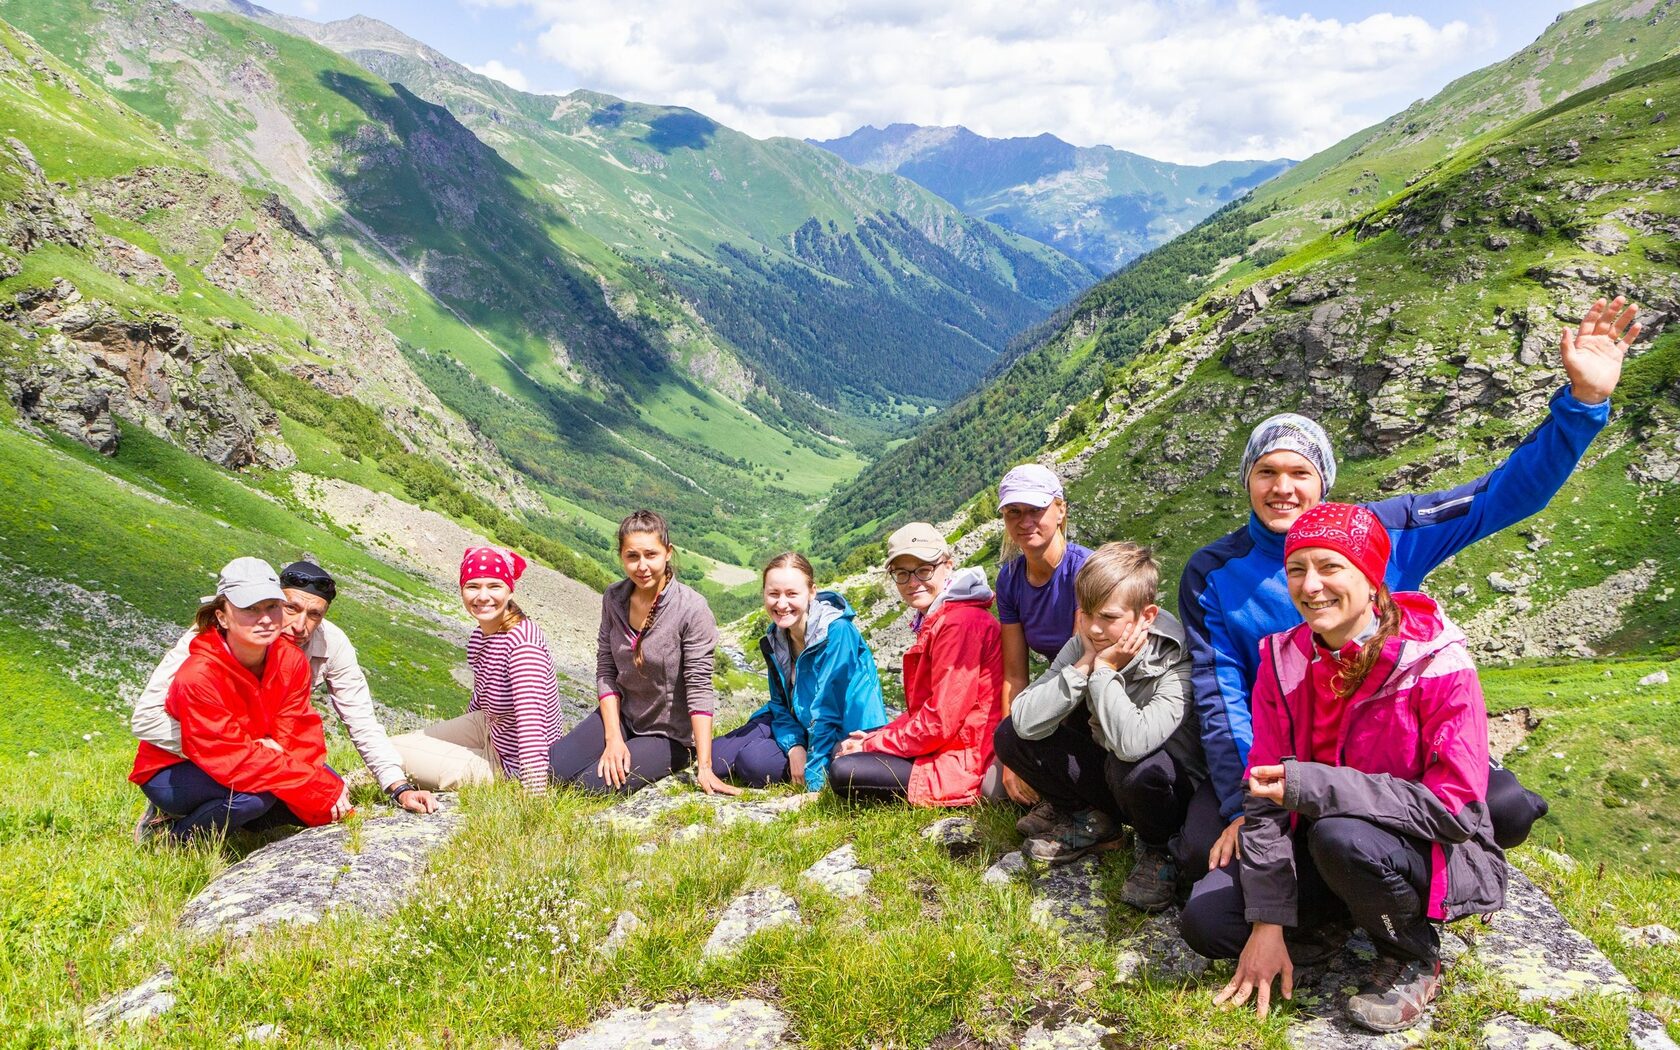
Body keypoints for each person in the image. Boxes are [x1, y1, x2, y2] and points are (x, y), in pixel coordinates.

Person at [1177, 295, 1641, 889]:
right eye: (1267, 473)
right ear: (1248, 482)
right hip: (1290, 751)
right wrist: (1251, 801)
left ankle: (1401, 875)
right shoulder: (1213, 572)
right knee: (1202, 853)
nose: (1283, 489)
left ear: (1325, 481)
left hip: (1395, 750)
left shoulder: (1387, 530)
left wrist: (1584, 404)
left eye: (1300, 474)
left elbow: (1504, 496)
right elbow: (1224, 698)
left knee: (1506, 808)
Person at [1184, 503, 1504, 1034]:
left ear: (1373, 578)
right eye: (1296, 569)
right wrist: (1268, 920)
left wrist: (1315, 785)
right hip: (1324, 843)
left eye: (1331, 567)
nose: (1311, 587)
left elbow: (1454, 809)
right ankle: (1340, 916)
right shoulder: (1282, 660)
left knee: (1342, 836)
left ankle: (1409, 954)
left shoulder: (1436, 662)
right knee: (1209, 923)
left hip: (1426, 849)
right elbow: (1265, 797)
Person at [993, 542, 1205, 910]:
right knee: (1010, 736)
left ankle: (1160, 850)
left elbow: (1132, 744)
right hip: (1114, 773)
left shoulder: (1177, 658)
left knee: (1137, 766)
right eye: (1085, 613)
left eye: (1107, 616)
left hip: (1168, 790)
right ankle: (1093, 820)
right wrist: (1084, 667)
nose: (1093, 627)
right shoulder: (1086, 642)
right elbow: (1024, 721)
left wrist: (1104, 671)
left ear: (1147, 615)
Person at [133, 560, 438, 815]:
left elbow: (361, 719)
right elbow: (147, 719)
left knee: (327, 794)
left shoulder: (331, 644)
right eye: (291, 608)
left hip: (266, 748)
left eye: (315, 614)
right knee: (258, 796)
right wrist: (245, 746)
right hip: (200, 752)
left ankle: (241, 820)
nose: (299, 625)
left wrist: (397, 786)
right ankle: (177, 819)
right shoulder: (209, 641)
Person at [130, 557, 351, 844]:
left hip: (244, 753)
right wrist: (307, 782)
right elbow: (229, 756)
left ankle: (234, 825)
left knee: (322, 802)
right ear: (222, 616)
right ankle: (173, 838)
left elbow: (298, 732)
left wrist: (322, 786)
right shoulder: (198, 673)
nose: (264, 619)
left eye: (272, 607)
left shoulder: (291, 659)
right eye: (249, 609)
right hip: (176, 765)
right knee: (252, 799)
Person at [549, 510, 739, 796]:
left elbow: (699, 687)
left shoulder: (691, 609)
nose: (642, 566)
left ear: (668, 553)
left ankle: (675, 758)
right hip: (625, 716)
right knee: (555, 769)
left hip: (669, 735)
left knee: (589, 788)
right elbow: (606, 669)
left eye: (651, 554)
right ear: (621, 557)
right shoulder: (614, 598)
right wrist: (613, 737)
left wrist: (705, 765)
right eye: (632, 556)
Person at [829, 523, 1003, 805]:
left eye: (924, 569)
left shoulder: (960, 624)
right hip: (951, 745)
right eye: (902, 573)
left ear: (947, 566)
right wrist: (880, 736)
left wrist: (872, 743)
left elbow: (939, 722)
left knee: (843, 769)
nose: (913, 582)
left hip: (964, 759)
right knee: (846, 746)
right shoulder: (942, 615)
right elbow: (925, 710)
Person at [389, 547, 562, 795]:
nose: (483, 596)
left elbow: (532, 727)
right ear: (461, 590)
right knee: (403, 744)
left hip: (511, 764)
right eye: (473, 586)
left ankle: (345, 788)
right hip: (490, 727)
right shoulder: (482, 635)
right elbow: (481, 696)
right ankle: (351, 783)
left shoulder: (523, 646)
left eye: (494, 586)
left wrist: (534, 798)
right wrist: (466, 738)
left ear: (510, 590)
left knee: (391, 751)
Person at [711, 552, 888, 790]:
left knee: (752, 764)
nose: (781, 604)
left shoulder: (837, 633)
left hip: (844, 731)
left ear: (812, 592)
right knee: (714, 759)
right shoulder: (775, 637)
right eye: (773, 594)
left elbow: (829, 712)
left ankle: (791, 757)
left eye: (792, 594)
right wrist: (794, 746)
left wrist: (814, 786)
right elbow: (779, 704)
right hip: (799, 723)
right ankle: (785, 748)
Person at [994, 464, 1095, 826]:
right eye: (1014, 513)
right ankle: (1064, 799)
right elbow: (1015, 674)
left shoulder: (1085, 570)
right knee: (1012, 735)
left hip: (1091, 688)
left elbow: (1079, 660)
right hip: (1059, 686)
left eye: (1036, 510)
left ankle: (1080, 808)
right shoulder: (1009, 579)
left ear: (1060, 509)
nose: (1025, 522)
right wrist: (1011, 756)